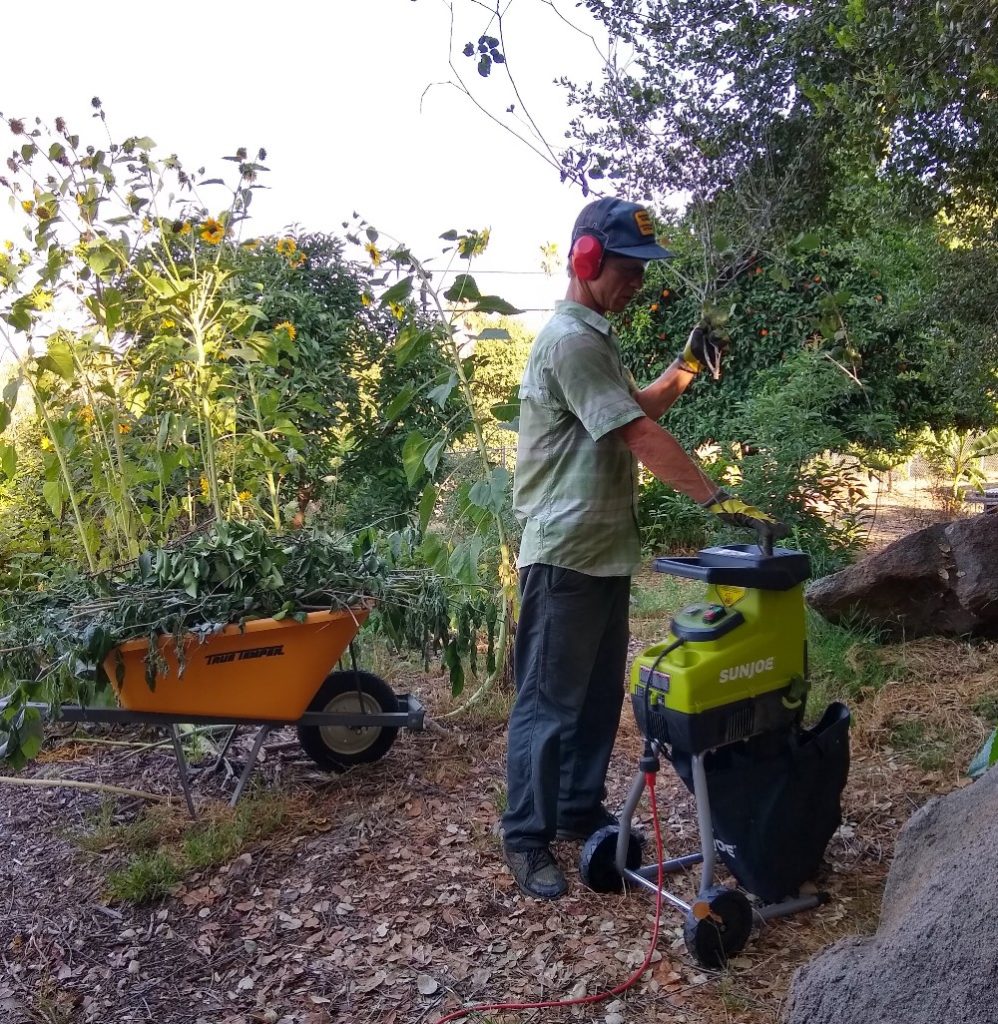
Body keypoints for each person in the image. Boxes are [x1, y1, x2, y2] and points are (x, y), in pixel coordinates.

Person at [502, 196, 788, 900]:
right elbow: (637, 436)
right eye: (626, 268)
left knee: (596, 698)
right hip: (564, 554)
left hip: (601, 553)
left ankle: (575, 811)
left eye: (640, 270)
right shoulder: (569, 341)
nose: (636, 282)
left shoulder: (595, 338)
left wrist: (686, 368)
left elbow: (638, 408)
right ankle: (526, 837)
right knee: (547, 705)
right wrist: (715, 498)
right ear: (586, 259)